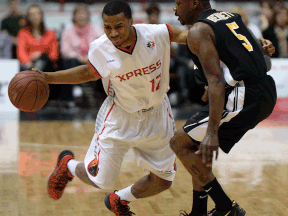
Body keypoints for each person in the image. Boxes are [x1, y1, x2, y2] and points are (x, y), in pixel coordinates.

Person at [39, 1, 188, 215]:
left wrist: (223, 41)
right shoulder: (101, 48)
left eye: (119, 26)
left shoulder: (155, 34)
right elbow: (86, 73)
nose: (113, 33)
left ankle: (119, 199)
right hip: (120, 115)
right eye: (107, 27)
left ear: (130, 21)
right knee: (99, 180)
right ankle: (68, 166)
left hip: (157, 114)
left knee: (164, 181)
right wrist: (46, 78)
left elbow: (188, 37)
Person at [171, 1, 276, 216]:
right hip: (264, 89)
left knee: (179, 143)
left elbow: (216, 81)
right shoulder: (230, 16)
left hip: (244, 94)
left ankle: (227, 208)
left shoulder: (199, 30)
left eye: (178, 2)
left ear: (193, 2)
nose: (175, 9)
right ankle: (199, 212)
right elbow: (250, 49)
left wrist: (211, 132)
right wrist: (263, 44)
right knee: (198, 151)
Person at [61, 4, 103, 106]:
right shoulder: (68, 32)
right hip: (75, 62)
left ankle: (100, 96)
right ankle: (75, 91)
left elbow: (102, 47)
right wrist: (78, 56)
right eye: (78, 14)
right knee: (69, 62)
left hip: (93, 61)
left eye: (84, 13)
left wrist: (89, 57)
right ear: (74, 16)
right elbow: (65, 50)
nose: (81, 16)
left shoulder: (97, 30)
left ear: (88, 15)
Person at [17, 4, 59, 72]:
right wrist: (28, 62)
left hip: (47, 65)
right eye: (32, 14)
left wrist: (41, 54)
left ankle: (36, 73)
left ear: (41, 15)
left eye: (37, 13)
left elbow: (54, 54)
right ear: (28, 17)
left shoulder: (51, 33)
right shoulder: (23, 33)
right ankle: (35, 74)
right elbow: (21, 52)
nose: (35, 16)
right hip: (29, 64)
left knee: (44, 57)